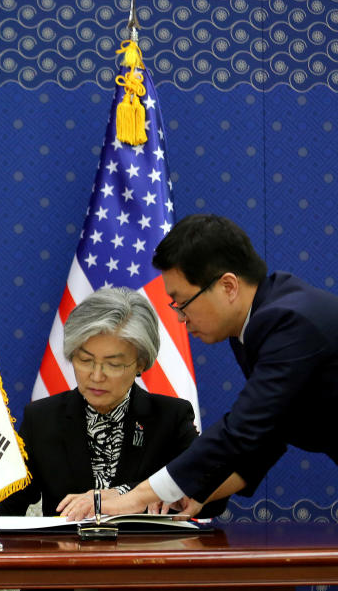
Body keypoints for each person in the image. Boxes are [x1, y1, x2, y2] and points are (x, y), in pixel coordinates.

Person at [75, 214, 338, 519]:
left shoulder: (287, 323)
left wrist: (135, 498)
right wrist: (198, 492)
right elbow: (266, 435)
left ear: (228, 286)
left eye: (182, 302)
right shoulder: (259, 322)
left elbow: (241, 430)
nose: (180, 318)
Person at [0, 288, 224, 519]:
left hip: (145, 552)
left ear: (141, 363)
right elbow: (6, 507)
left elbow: (211, 494)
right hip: (66, 551)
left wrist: (127, 494)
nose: (96, 376)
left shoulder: (170, 417)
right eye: (85, 360)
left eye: (113, 364)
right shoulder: (42, 418)